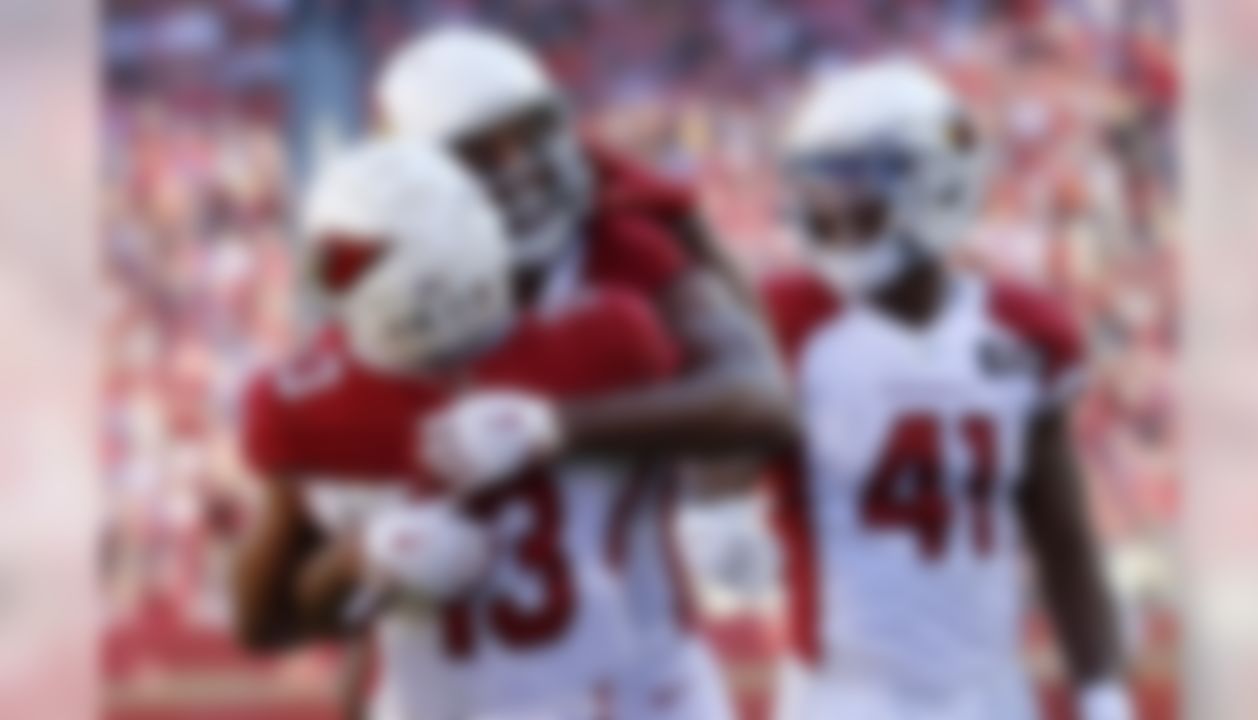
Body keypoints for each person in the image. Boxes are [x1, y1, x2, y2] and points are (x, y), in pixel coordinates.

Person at [375, 25, 789, 720]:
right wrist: (367, 559)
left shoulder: (619, 248)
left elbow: (763, 399)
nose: (518, 169)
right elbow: (297, 592)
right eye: (481, 154)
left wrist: (553, 428)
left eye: (529, 135)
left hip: (639, 686)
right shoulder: (378, 294)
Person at [231, 138, 690, 719]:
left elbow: (724, 452)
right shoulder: (311, 397)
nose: (333, 286)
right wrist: (359, 554)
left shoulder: (604, 345)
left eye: (348, 260)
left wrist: (557, 428)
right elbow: (264, 623)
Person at [760, 59, 1135, 720]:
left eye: (857, 178)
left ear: (935, 182)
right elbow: (716, 459)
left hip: (989, 692)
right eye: (819, 180)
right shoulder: (790, 322)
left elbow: (1063, 539)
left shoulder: (1022, 330)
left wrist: (1102, 693)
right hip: (844, 695)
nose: (832, 205)